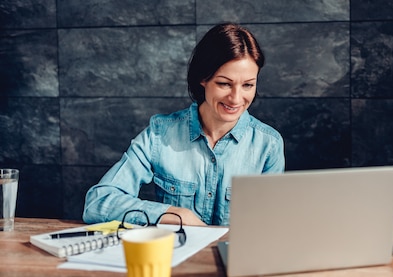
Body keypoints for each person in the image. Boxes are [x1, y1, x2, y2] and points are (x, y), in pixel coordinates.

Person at [82, 23, 285, 226]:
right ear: (202, 79)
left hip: (238, 257)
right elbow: (98, 202)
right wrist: (173, 214)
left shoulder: (269, 145)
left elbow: (273, 225)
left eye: (248, 85)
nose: (236, 98)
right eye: (224, 83)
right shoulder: (159, 134)